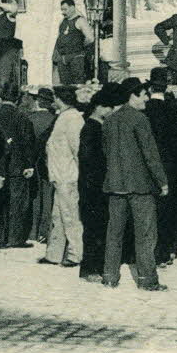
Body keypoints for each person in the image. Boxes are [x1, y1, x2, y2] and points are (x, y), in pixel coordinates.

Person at [101, 77, 169, 290]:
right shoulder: (140, 119)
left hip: (114, 185)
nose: (147, 99)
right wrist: (162, 181)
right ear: (133, 95)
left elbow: (105, 152)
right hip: (140, 187)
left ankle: (110, 277)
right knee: (145, 234)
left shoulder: (109, 120)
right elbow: (150, 154)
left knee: (114, 234)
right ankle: (147, 280)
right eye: (144, 94)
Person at [143, 68, 177, 266]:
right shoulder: (172, 112)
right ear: (165, 89)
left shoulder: (143, 111)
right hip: (169, 169)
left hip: (146, 169)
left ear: (149, 88)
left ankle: (147, 252)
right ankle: (165, 253)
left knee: (147, 213)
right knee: (166, 212)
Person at [78, 83, 122, 282]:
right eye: (109, 107)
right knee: (94, 228)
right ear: (100, 107)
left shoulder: (93, 126)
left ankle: (94, 267)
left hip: (93, 185)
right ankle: (90, 269)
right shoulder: (92, 129)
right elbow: (89, 160)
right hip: (93, 187)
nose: (111, 111)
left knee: (96, 227)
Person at [41, 86, 85, 267]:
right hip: (60, 176)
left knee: (70, 215)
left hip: (68, 176)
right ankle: (54, 253)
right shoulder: (65, 116)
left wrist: (81, 174)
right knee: (58, 216)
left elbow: (77, 148)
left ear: (59, 99)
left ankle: (76, 254)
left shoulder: (73, 118)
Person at [0, 87, 35, 248]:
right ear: (17, 100)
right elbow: (28, 143)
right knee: (17, 204)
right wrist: (29, 164)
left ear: (1, 99)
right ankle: (15, 239)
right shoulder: (22, 117)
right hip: (18, 167)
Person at [26, 87, 56, 245]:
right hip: (49, 162)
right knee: (48, 196)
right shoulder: (54, 119)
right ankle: (45, 231)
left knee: (35, 197)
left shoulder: (30, 118)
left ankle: (32, 231)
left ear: (37, 101)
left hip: (33, 162)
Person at [52, 0, 93, 84]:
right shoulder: (62, 22)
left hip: (76, 58)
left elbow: (90, 38)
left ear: (72, 8)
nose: (63, 12)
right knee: (64, 85)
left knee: (78, 83)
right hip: (63, 59)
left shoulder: (80, 20)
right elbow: (59, 37)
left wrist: (78, 46)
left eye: (65, 9)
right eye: (62, 10)